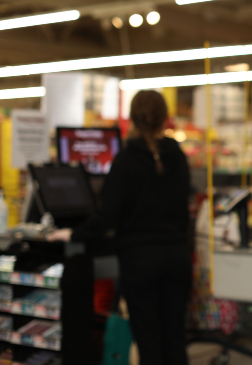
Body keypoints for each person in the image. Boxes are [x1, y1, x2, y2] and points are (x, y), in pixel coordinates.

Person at [47, 90, 192, 365]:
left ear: (132, 119)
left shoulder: (126, 160)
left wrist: (74, 233)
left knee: (149, 341)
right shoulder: (178, 155)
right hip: (176, 258)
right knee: (174, 339)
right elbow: (184, 210)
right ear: (165, 118)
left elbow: (106, 215)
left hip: (140, 261)